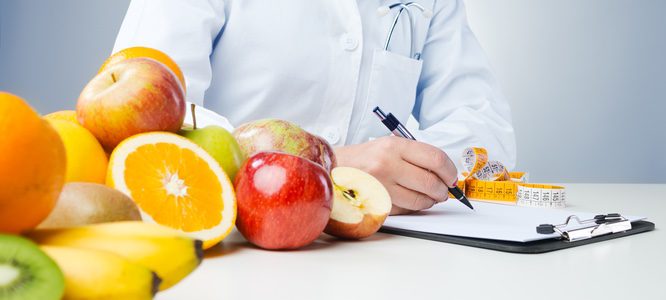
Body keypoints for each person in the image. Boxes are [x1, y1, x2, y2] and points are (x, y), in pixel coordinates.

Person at [113, 0, 516, 215]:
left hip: (379, 252)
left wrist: (413, 170)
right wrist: (330, 165)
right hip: (231, 243)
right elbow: (144, 123)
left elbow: (486, 129)